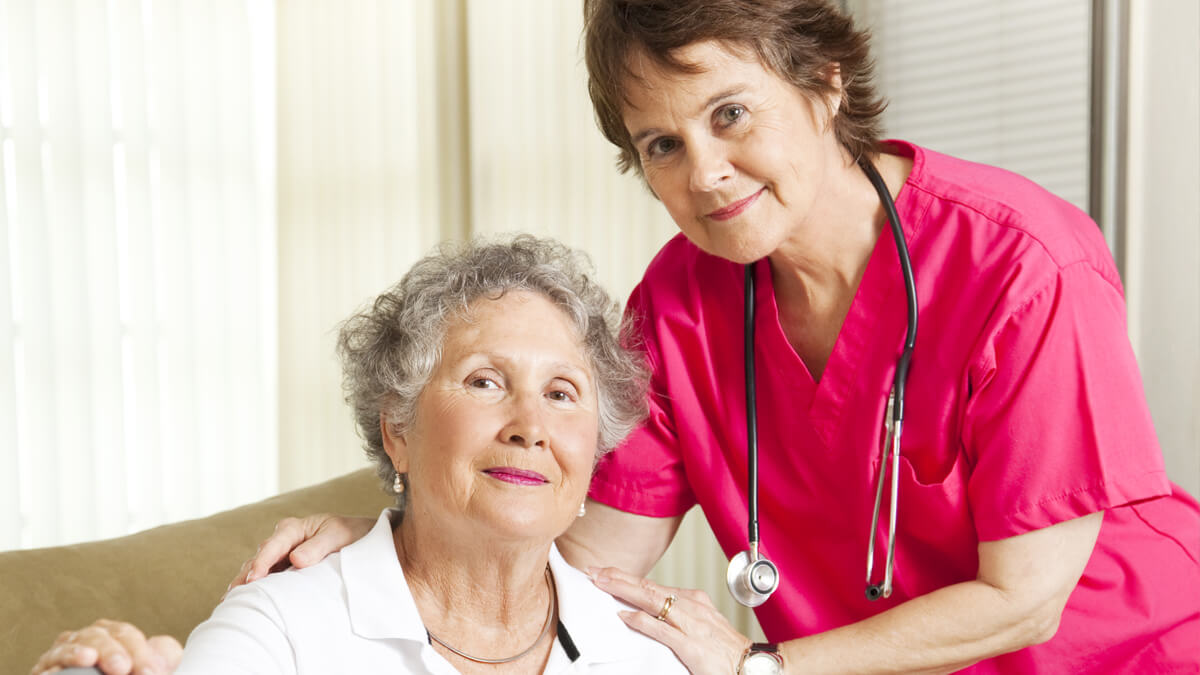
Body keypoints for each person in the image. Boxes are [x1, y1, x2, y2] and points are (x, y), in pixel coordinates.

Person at [39, 1, 1200, 673]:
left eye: (730, 113)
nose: (705, 174)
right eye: (657, 144)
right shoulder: (684, 301)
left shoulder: (1020, 261)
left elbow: (1027, 601)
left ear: (826, 83)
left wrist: (757, 669)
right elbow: (586, 564)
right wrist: (409, 527)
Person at [31, 236, 687, 674]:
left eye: (562, 392)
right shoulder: (282, 626)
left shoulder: (645, 648)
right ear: (397, 428)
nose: (530, 425)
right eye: (485, 381)